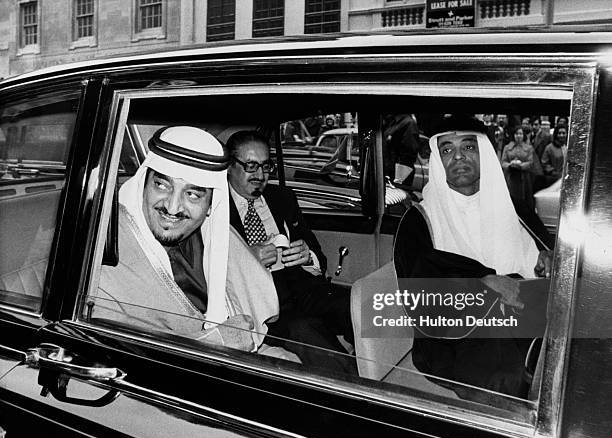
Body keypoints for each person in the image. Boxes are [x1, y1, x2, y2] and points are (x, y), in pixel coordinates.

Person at [93, 126, 296, 361]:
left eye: (193, 194)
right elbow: (115, 350)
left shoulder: (216, 235)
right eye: (162, 185)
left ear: (212, 204)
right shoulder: (108, 247)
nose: (172, 207)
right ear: (143, 185)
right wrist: (215, 341)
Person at [393, 116, 553, 398]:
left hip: (526, 322)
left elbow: (541, 257)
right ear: (438, 160)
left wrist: (550, 259)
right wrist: (481, 281)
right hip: (457, 339)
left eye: (468, 147)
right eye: (446, 150)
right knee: (504, 375)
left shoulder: (515, 208)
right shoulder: (419, 219)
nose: (457, 156)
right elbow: (419, 289)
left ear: (485, 154)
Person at [226, 130, 357, 375]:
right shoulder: (215, 207)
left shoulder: (282, 198)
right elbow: (206, 273)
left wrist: (308, 256)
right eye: (251, 166)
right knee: (307, 333)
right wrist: (247, 260)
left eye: (266, 166)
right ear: (229, 166)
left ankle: (400, 365)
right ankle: (358, 389)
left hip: (303, 289)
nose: (260, 175)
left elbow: (317, 254)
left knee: (358, 305)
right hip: (262, 306)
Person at [501, 127, 536, 210]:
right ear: (513, 135)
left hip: (524, 178)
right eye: (516, 134)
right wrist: (510, 164)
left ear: (523, 135)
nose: (518, 136)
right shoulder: (507, 147)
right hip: (510, 177)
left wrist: (521, 165)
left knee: (523, 200)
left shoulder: (529, 148)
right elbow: (503, 162)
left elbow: (531, 162)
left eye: (520, 134)